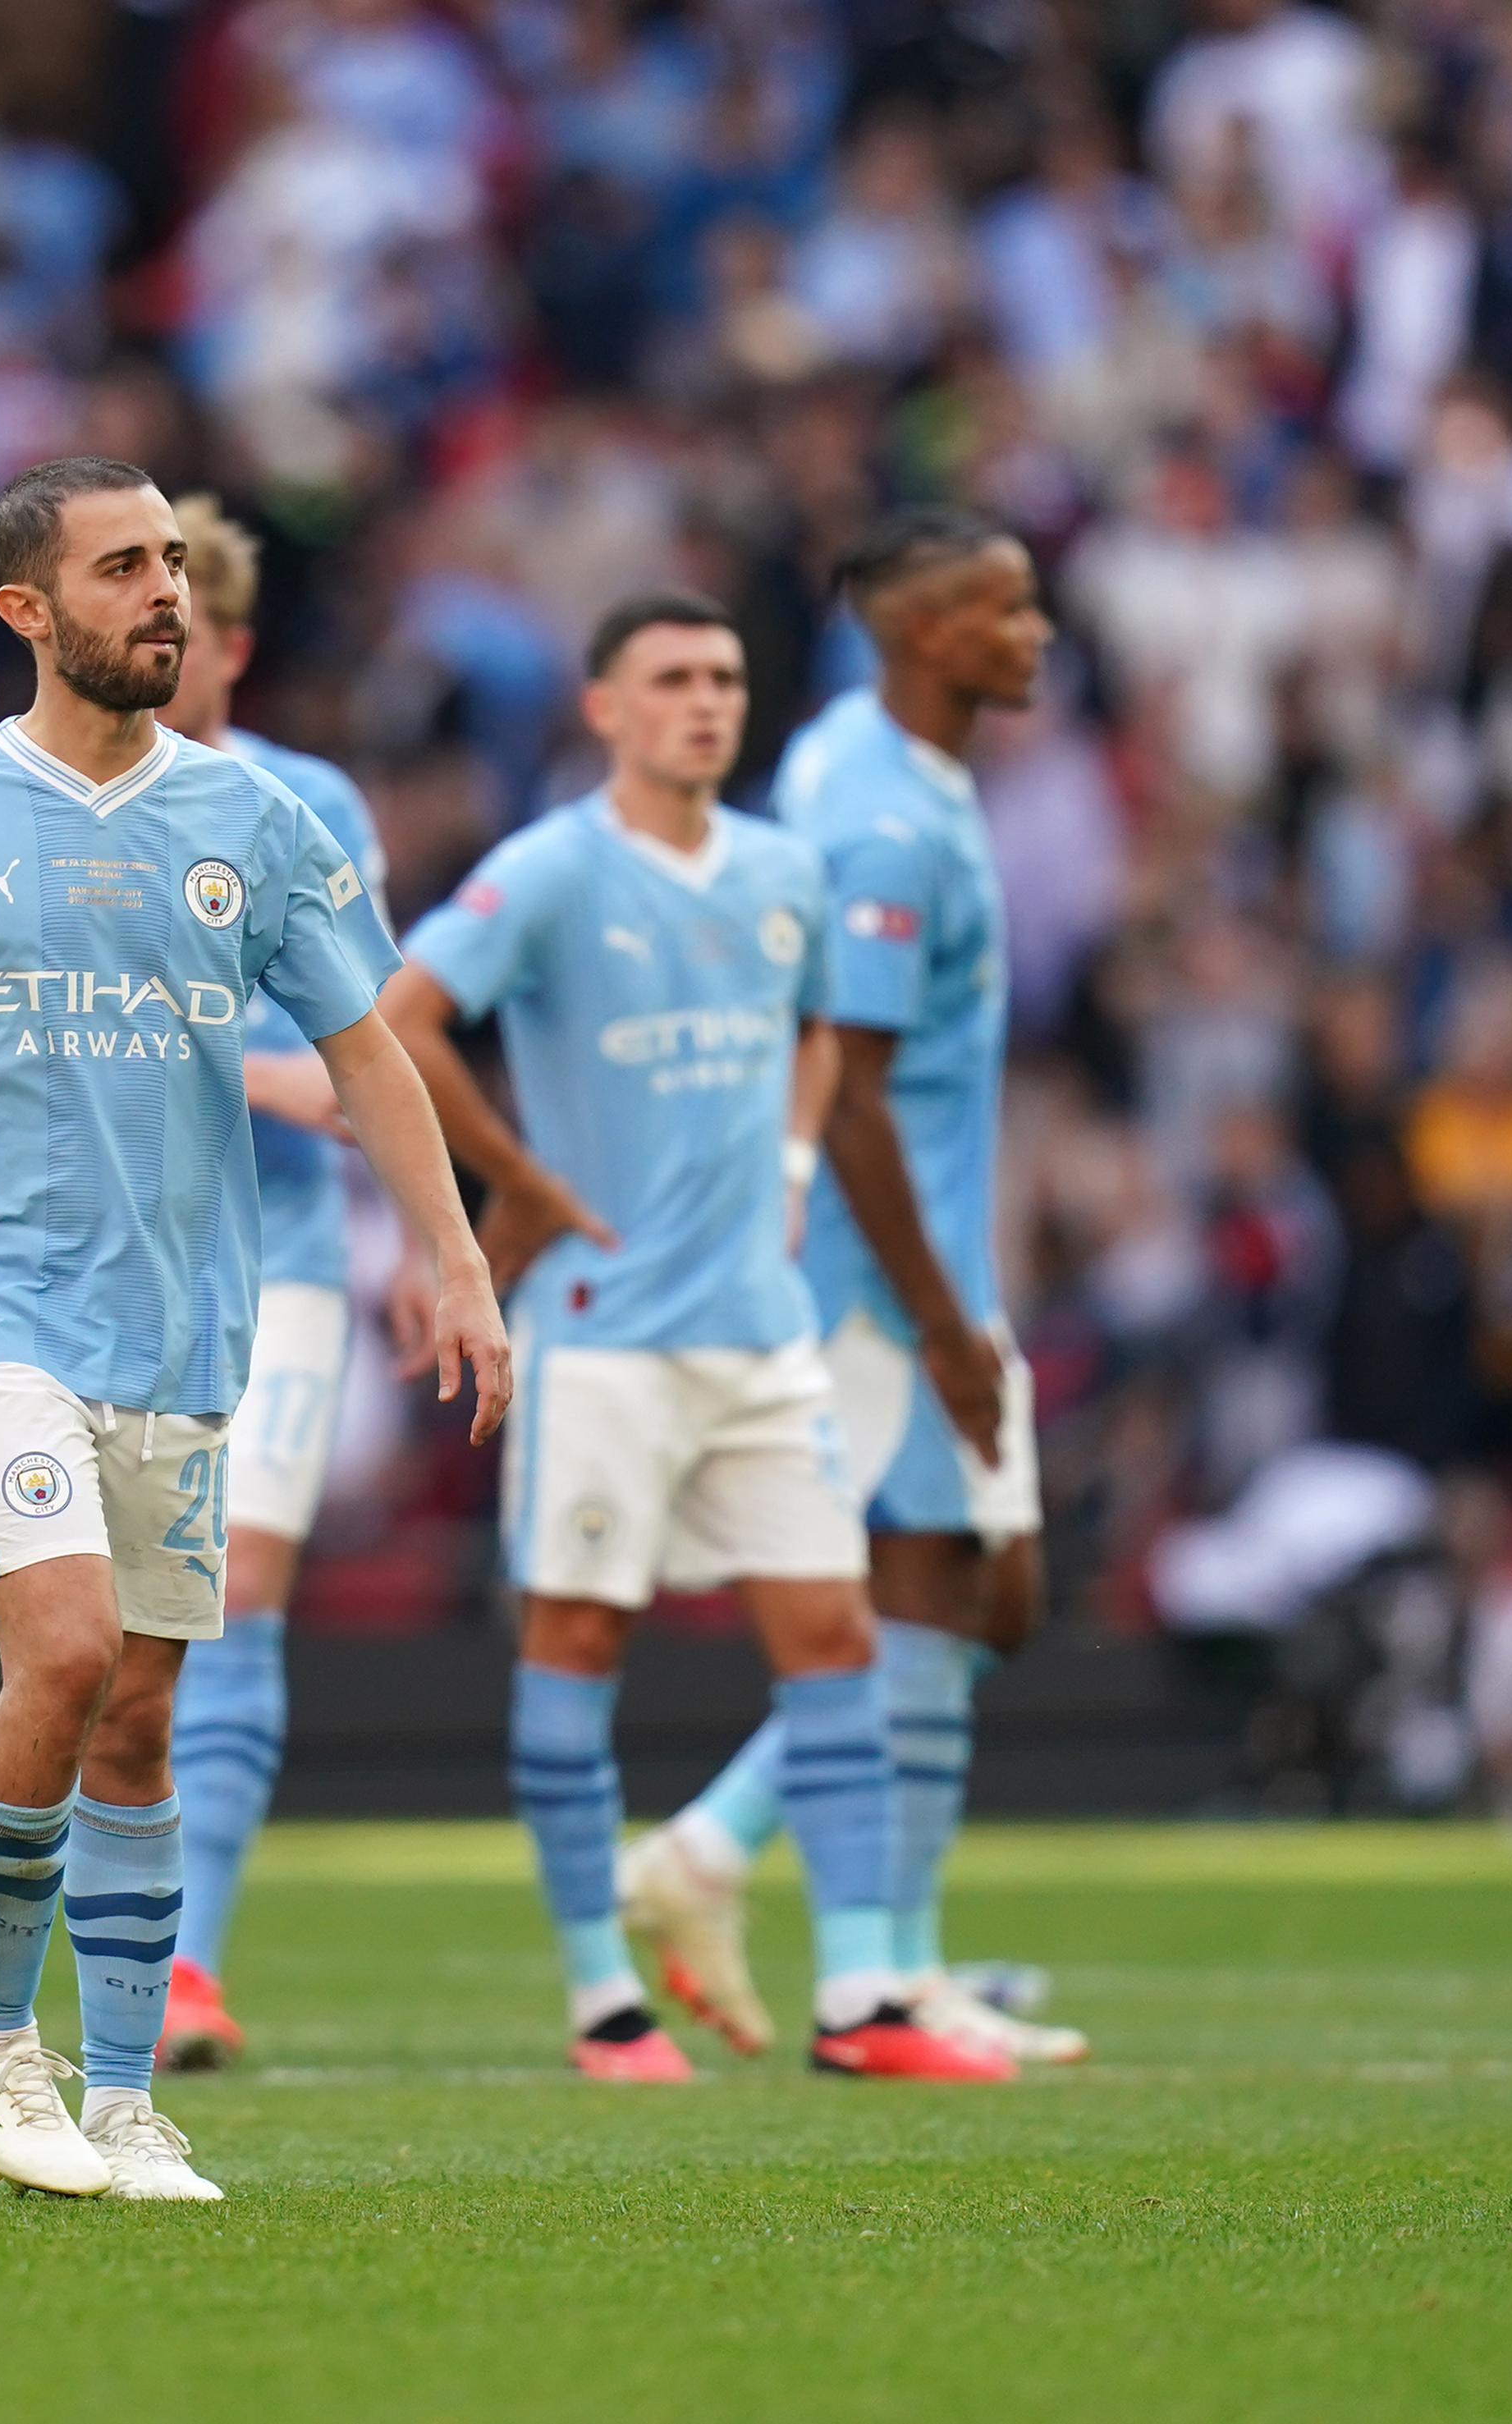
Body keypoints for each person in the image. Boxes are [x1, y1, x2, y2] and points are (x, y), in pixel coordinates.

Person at [0, 457, 511, 2201]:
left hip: (178, 1323)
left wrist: (454, 1260)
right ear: (26, 608)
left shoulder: (253, 823)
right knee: (71, 1649)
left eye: (171, 562)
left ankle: (122, 2095)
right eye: (120, 568)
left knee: (141, 1717)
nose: (162, 592)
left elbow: (368, 1053)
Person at [375, 589, 1010, 2085]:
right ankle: (602, 1995)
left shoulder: (786, 872)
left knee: (832, 1639)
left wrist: (793, 1162)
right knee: (580, 1638)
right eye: (668, 678)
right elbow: (400, 1018)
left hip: (756, 1331)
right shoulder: (545, 870)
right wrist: (516, 1180)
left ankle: (860, 1999)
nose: (704, 702)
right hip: (601, 1336)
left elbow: (816, 1031)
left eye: (723, 677)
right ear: (603, 707)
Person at [608, 511, 1087, 2069]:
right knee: (942, 1589)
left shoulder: (861, 764)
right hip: (887, 1271)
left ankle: (865, 1933)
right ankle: (851, 1956)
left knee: (963, 1594)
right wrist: (944, 1322)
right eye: (1005, 609)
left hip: (926, 1252)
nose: (1036, 632)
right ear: (922, 633)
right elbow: (854, 1083)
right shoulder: (881, 817)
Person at [144, 496, 389, 2071]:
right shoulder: (25, 802)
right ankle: (87, 1944)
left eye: (183, 639)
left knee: (238, 1595)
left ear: (229, 646)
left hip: (279, 1259)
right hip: (91, 1261)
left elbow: (360, 1052)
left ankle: (187, 1965)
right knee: (96, 1633)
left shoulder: (303, 805)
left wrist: (200, 1047)